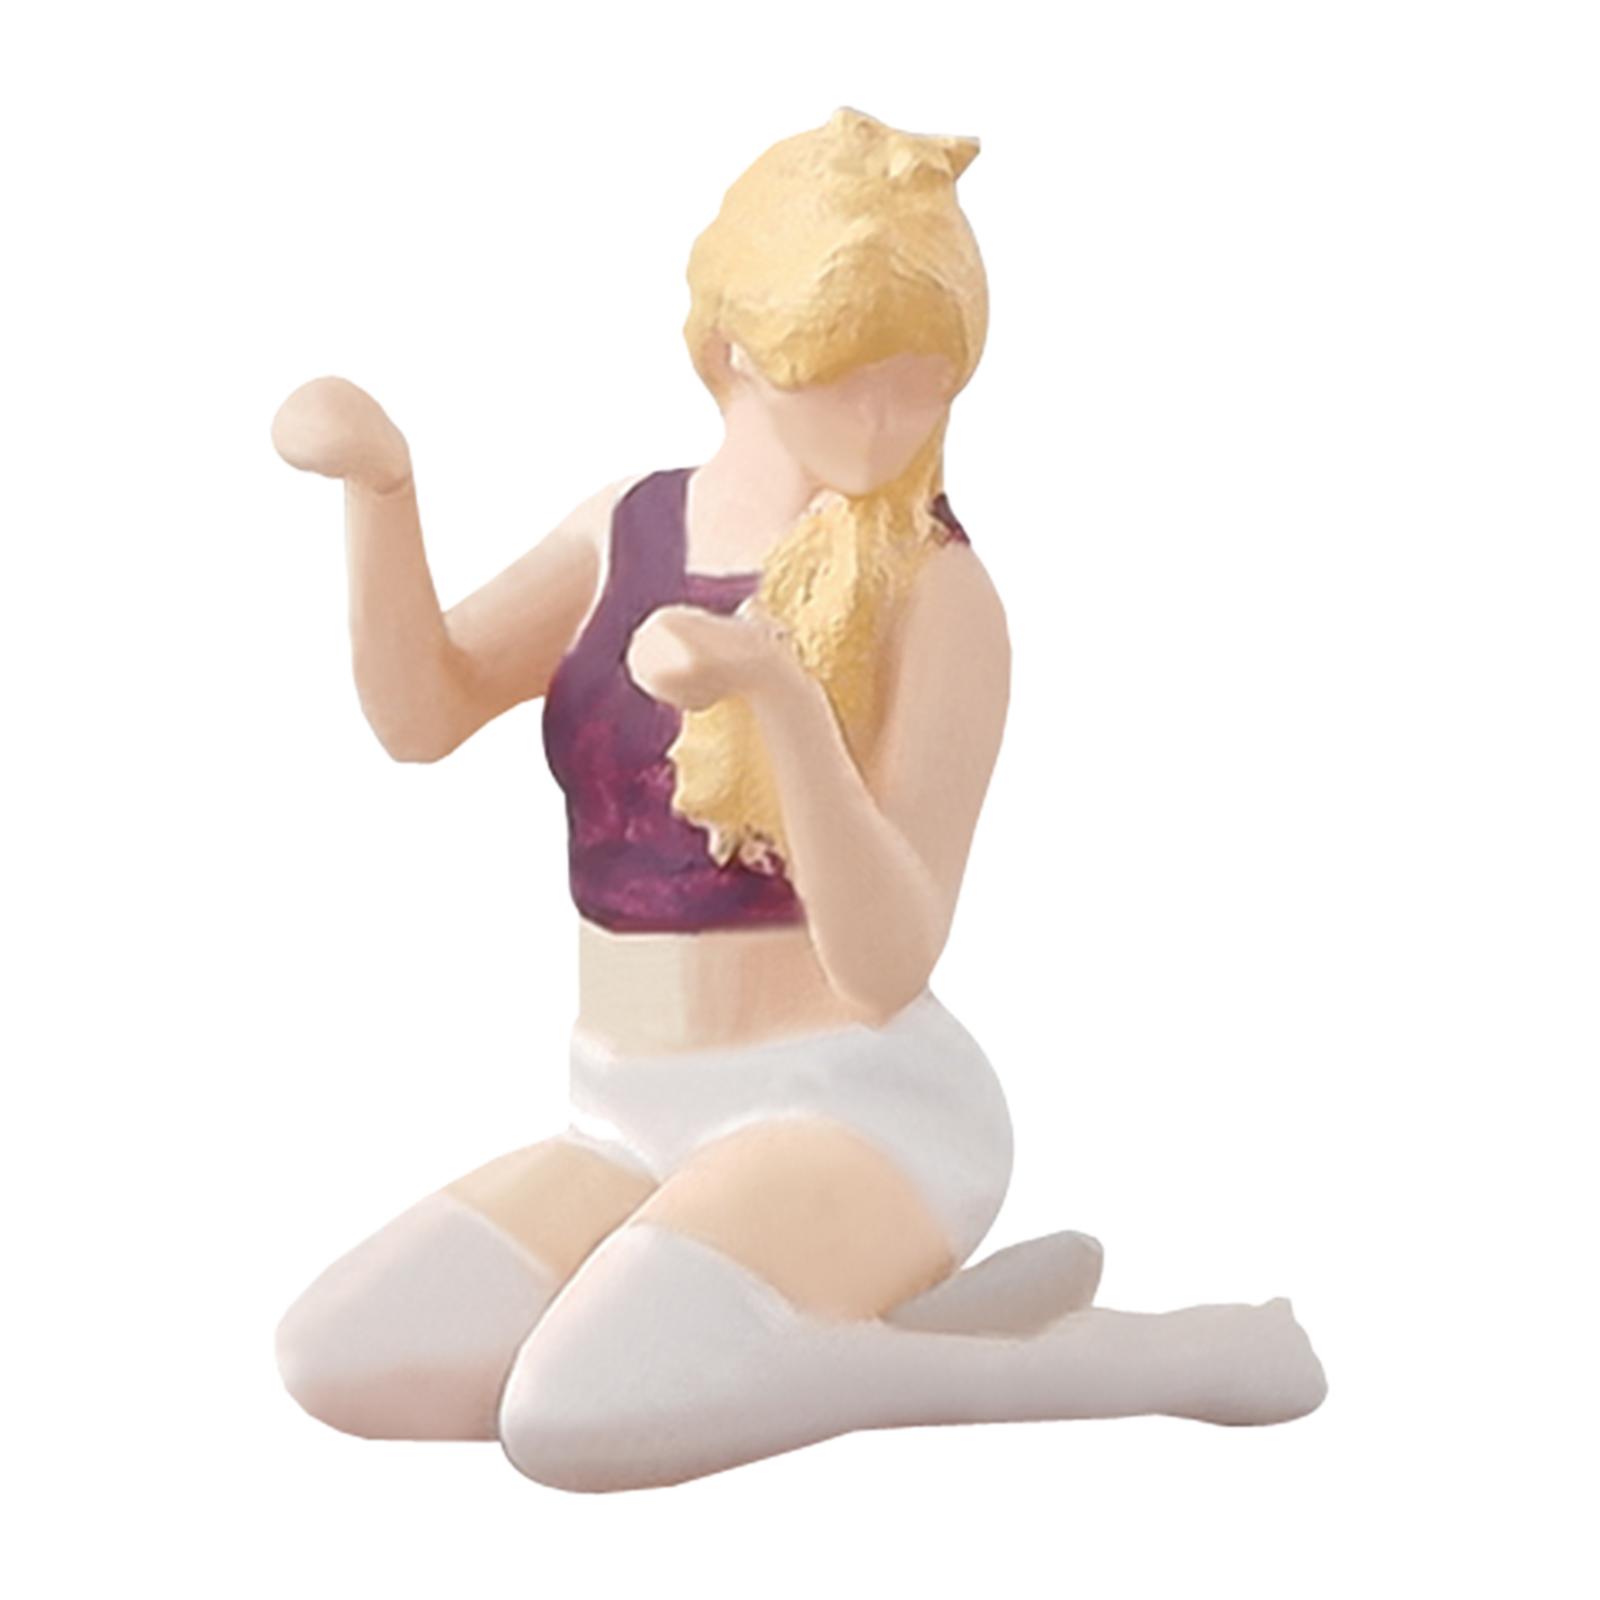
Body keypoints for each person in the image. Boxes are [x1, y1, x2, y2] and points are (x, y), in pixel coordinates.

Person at [269, 107, 1326, 1493]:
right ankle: (877, 1329)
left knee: (571, 1419)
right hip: (626, 1107)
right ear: (732, 351)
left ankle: (1131, 1361)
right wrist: (381, 491)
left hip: (858, 1107)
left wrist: (778, 696)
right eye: (845, 381)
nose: (887, 424)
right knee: (343, 1355)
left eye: (923, 386)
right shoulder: (626, 530)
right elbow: (426, 712)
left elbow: (886, 962)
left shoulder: (937, 593)